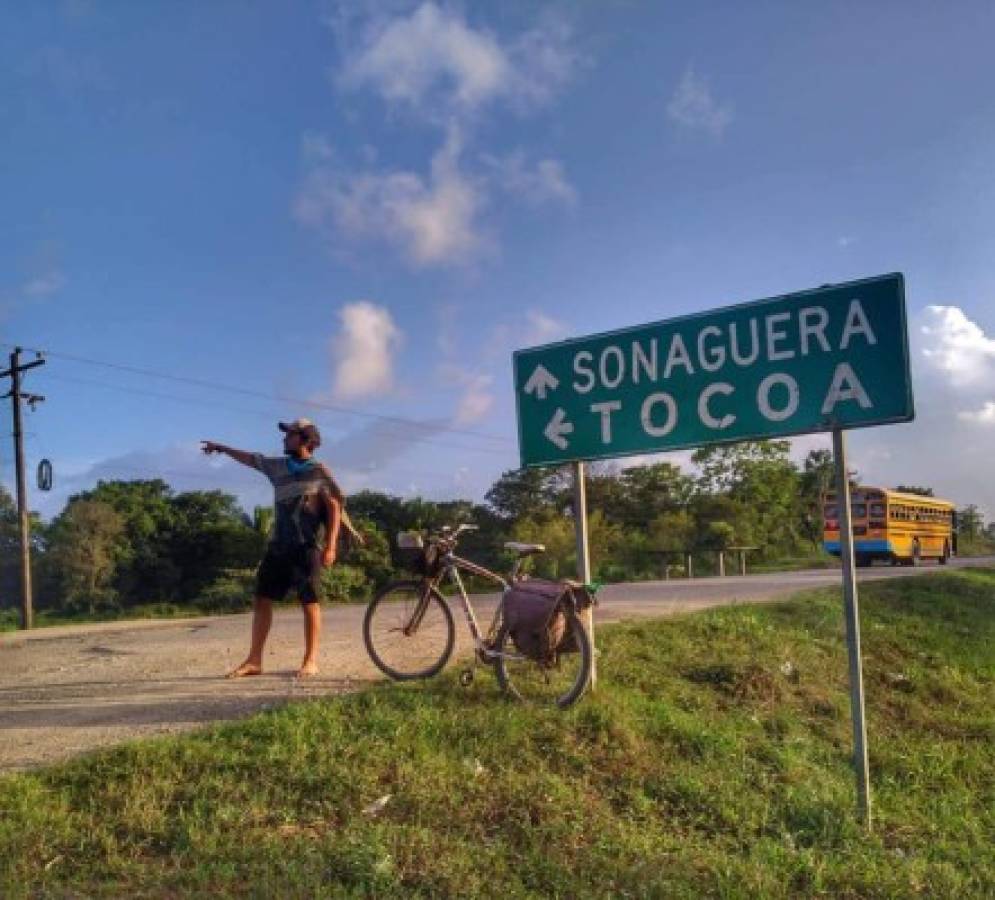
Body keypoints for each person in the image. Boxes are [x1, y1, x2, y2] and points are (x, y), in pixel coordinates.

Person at [201, 418, 360, 678]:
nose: (284, 439)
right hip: (278, 546)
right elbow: (252, 459)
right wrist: (222, 448)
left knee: (309, 601)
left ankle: (310, 660)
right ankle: (254, 660)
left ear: (306, 439)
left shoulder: (319, 470)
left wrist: (330, 546)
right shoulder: (278, 467)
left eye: (290, 435)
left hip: (305, 547)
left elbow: (334, 506)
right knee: (262, 598)